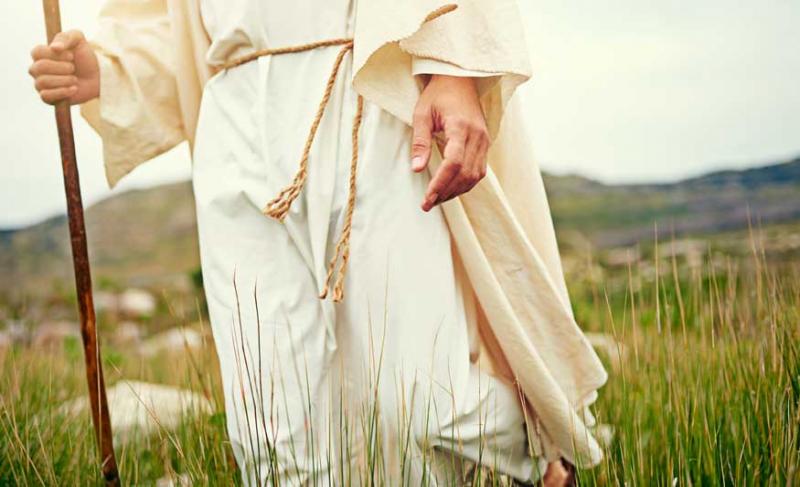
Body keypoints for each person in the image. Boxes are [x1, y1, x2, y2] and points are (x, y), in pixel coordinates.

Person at [29, 0, 607, 484]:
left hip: (367, 83)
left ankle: (539, 456)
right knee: (271, 430)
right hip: (231, 111)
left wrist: (455, 64)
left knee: (418, 404)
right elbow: (163, 18)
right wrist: (110, 71)